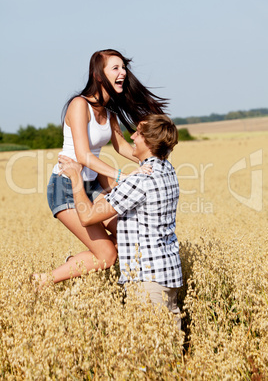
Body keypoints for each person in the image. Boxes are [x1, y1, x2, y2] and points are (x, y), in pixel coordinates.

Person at [53, 114, 182, 328]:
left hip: (147, 281)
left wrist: (77, 177)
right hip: (168, 273)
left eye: (139, 134)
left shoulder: (141, 179)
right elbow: (124, 196)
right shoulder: (168, 170)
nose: (133, 136)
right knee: (170, 352)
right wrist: (96, 169)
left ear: (148, 143)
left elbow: (87, 217)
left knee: (146, 356)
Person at [47, 49, 168, 274]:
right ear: (98, 75)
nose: (123, 72)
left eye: (123, 67)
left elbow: (121, 145)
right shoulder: (79, 105)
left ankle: (76, 263)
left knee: (130, 235)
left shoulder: (109, 111)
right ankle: (42, 281)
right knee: (107, 255)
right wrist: (121, 176)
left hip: (92, 187)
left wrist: (153, 160)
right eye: (116, 68)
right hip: (65, 187)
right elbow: (83, 156)